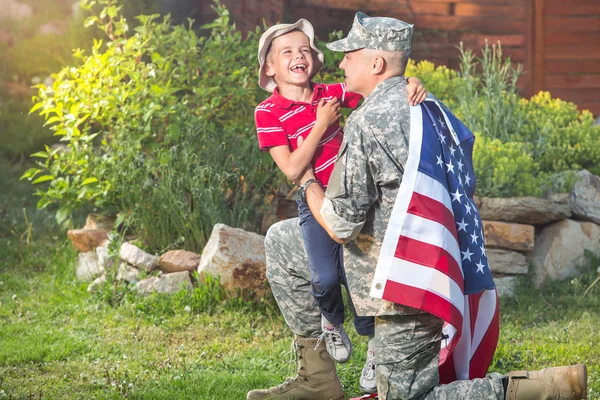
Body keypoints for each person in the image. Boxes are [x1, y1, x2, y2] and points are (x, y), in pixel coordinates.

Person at [248, 11, 588, 400]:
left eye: (350, 55)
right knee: (283, 239)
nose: (340, 62)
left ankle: (537, 389)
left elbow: (341, 226)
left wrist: (305, 179)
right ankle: (317, 379)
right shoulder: (431, 107)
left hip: (403, 282)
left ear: (375, 63)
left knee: (406, 397)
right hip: (430, 257)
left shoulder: (367, 122)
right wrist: (408, 78)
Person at [253, 18, 427, 397]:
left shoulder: (328, 95)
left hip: (353, 201)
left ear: (314, 61)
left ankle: (373, 348)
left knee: (356, 273)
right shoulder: (268, 112)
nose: (299, 56)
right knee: (324, 276)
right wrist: (320, 126)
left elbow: (381, 88)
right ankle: (327, 340)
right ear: (269, 67)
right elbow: (294, 171)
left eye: (304, 50)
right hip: (316, 201)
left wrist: (409, 83)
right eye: (287, 52)